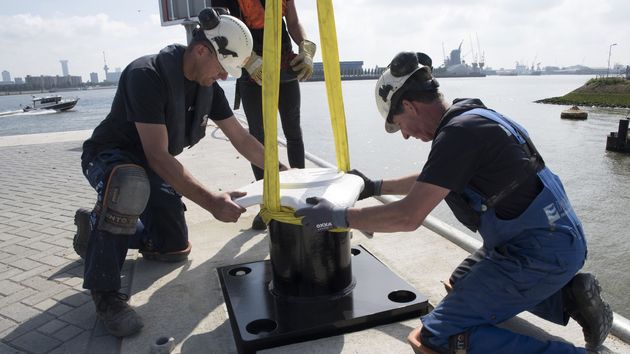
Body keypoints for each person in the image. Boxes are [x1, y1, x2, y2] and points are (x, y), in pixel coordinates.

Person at [295, 52, 613, 353]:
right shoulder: (469, 117)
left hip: (540, 252)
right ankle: (569, 296)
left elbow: (408, 217)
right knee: (458, 283)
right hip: (551, 238)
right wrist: (373, 186)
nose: (404, 135)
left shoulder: (459, 135)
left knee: (436, 335)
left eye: (398, 125)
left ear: (409, 105)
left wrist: (336, 218)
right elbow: (434, 180)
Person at [72, 8, 284, 337]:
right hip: (111, 157)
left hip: (150, 166)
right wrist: (212, 201)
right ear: (201, 50)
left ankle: (97, 227)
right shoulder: (146, 74)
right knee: (129, 185)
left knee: (173, 248)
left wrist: (283, 173)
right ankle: (106, 294)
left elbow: (241, 138)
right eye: (223, 67)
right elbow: (157, 155)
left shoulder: (207, 88)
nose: (225, 77)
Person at [212, 0, 316, 230]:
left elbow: (294, 22)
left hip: (284, 62)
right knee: (258, 137)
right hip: (251, 69)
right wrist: (247, 60)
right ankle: (267, 203)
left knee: (293, 132)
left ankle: (300, 198)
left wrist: (305, 47)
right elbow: (221, 30)